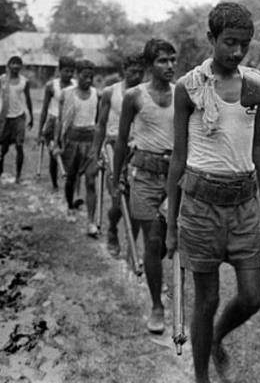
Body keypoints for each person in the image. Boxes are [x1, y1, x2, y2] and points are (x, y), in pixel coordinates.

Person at [166, 2, 260, 383]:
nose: (237, 52)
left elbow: (257, 146)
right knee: (206, 298)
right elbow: (178, 157)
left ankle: (216, 340)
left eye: (244, 44)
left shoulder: (254, 84)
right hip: (200, 206)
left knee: (252, 296)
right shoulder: (188, 86)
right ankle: (200, 379)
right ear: (211, 39)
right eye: (229, 42)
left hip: (243, 203)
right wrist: (172, 223)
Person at [112, 39, 176, 334]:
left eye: (173, 60)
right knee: (152, 241)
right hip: (143, 176)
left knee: (164, 244)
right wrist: (116, 178)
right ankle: (157, 306)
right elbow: (122, 139)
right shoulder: (134, 96)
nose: (170, 66)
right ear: (150, 66)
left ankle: (152, 268)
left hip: (172, 178)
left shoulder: (182, 96)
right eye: (163, 61)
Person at [90, 53, 146, 256]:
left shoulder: (146, 94)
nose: (137, 75)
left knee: (137, 202)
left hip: (137, 150)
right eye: (133, 71)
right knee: (118, 200)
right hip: (114, 149)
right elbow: (100, 125)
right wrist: (95, 154)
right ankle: (112, 228)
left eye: (141, 72)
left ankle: (132, 246)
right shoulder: (109, 92)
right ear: (124, 70)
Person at [55, 59, 99, 237]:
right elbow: (61, 119)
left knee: (90, 181)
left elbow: (99, 122)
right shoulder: (67, 94)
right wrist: (57, 140)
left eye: (91, 77)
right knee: (71, 178)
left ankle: (90, 221)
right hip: (72, 140)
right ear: (77, 75)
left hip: (90, 142)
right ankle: (70, 206)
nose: (88, 80)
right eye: (84, 76)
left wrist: (99, 144)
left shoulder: (97, 94)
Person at [37, 56, 76, 190]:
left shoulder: (76, 85)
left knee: (69, 155)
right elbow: (44, 109)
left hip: (70, 124)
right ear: (60, 70)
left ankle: (69, 182)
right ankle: (54, 184)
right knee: (54, 155)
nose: (69, 74)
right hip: (53, 123)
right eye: (66, 71)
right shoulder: (51, 86)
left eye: (72, 71)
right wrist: (40, 132)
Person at [0, 56, 34, 184]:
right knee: (3, 148)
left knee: (19, 145)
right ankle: (1, 171)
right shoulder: (2, 80)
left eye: (18, 64)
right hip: (4, 117)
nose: (15, 66)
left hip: (19, 117)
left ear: (21, 66)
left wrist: (31, 116)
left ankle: (18, 176)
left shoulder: (24, 81)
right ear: (8, 65)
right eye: (13, 63)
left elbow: (28, 99)